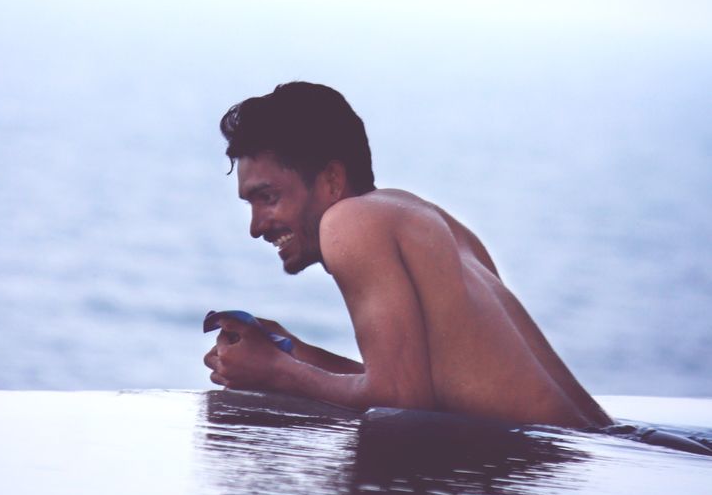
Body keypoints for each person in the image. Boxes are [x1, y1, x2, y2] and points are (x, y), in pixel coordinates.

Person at [204, 82, 612, 429]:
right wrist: (292, 355)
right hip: (600, 447)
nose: (256, 227)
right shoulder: (423, 217)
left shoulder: (349, 221)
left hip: (556, 466)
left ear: (331, 178)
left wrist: (277, 373)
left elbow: (401, 401)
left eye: (268, 198)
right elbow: (424, 386)